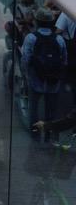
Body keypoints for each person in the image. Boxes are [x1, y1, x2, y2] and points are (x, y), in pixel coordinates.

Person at [22, 7, 67, 139]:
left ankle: (35, 133)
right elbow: (64, 60)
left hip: (36, 79)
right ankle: (49, 133)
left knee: (34, 108)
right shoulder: (59, 39)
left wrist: (26, 74)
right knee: (51, 109)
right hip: (54, 80)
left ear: (37, 21)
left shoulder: (31, 38)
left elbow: (26, 59)